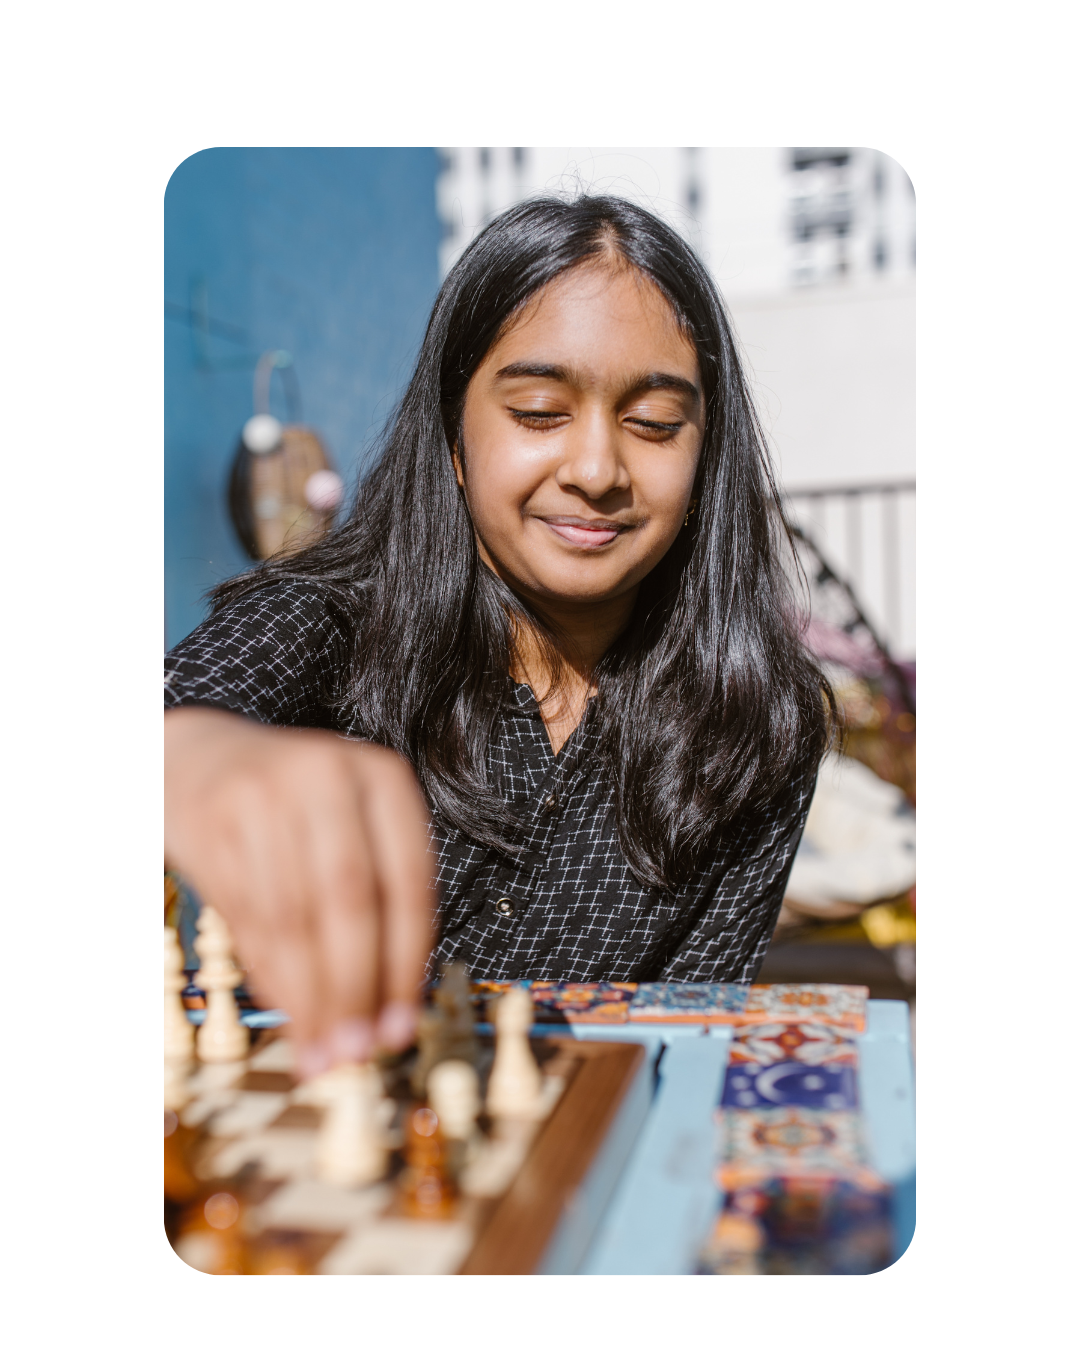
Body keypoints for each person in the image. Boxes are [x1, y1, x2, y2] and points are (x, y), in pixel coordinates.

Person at [163, 195, 833, 1079]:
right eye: (539, 412)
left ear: (706, 452)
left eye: (656, 424)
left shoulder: (764, 726)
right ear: (454, 435)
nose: (596, 470)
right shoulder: (334, 618)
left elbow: (686, 1054)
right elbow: (191, 702)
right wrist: (197, 754)